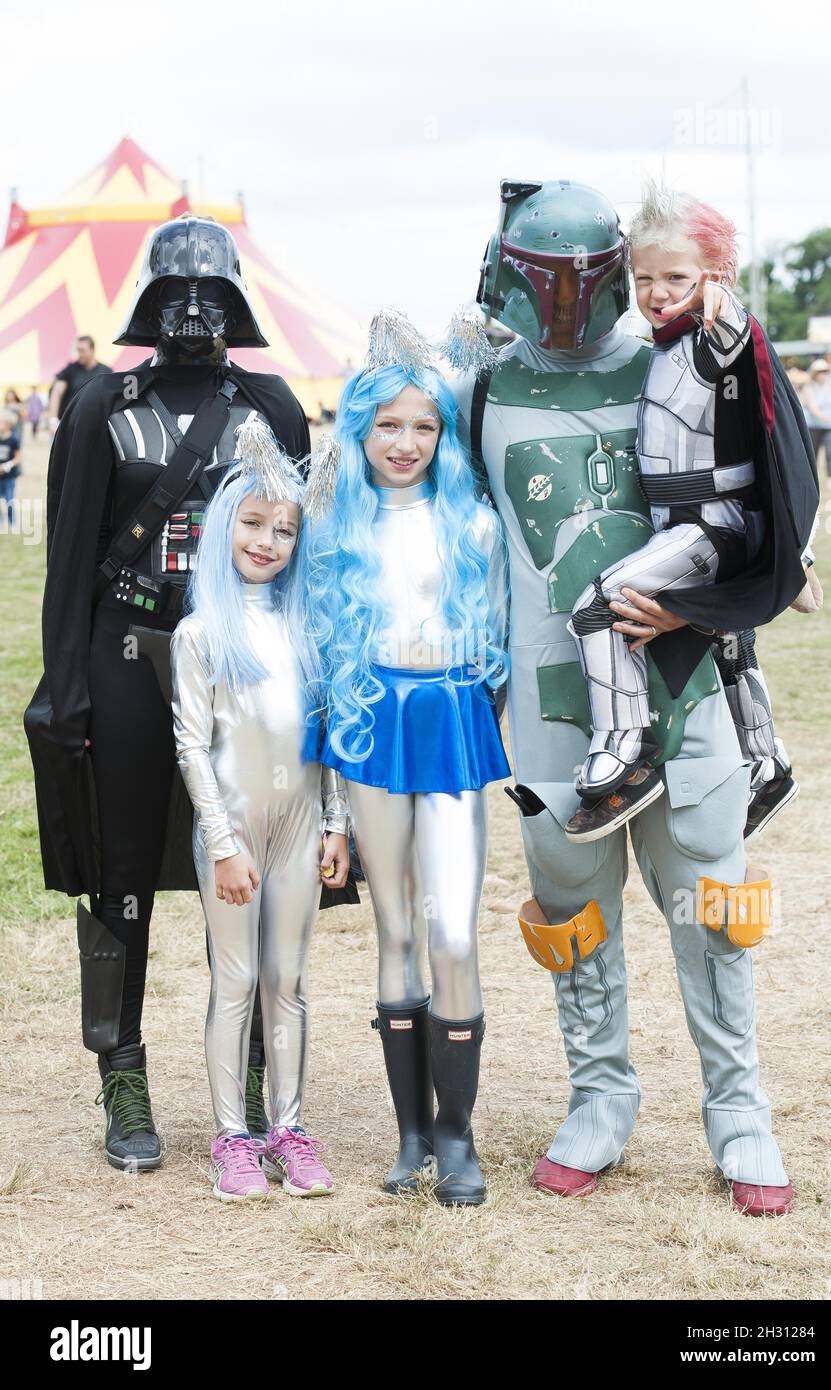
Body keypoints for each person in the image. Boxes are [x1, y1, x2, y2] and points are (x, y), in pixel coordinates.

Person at [452, 179, 817, 1216]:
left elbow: (764, 498)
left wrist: (711, 607)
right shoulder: (476, 390)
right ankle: (598, 1096)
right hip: (546, 698)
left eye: (583, 278)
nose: (564, 301)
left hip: (686, 682)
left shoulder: (686, 359)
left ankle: (738, 1108)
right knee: (571, 907)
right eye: (543, 280)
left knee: (712, 903)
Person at [24, 215, 312, 1172]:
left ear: (235, 302)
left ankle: (267, 1072)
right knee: (121, 871)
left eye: (213, 294)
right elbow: (68, 561)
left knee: (260, 854)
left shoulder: (270, 409)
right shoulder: (105, 401)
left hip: (245, 658)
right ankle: (125, 1074)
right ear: (149, 301)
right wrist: (65, 687)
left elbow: (300, 555)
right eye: (177, 294)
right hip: (126, 653)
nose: (194, 311)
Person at [305, 311, 509, 1206]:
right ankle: (411, 1136)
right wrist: (331, 816)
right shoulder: (330, 524)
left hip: (452, 714)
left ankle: (459, 1137)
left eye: (424, 424)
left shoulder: (474, 522)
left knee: (453, 934)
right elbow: (319, 660)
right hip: (368, 724)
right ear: (360, 426)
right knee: (393, 933)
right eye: (388, 423)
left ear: (444, 432)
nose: (406, 441)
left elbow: (502, 635)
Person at [565, 186, 814, 840]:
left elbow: (733, 327)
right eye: (642, 277)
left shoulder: (712, 335)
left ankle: (626, 744)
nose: (655, 290)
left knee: (597, 606)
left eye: (675, 276)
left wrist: (716, 290)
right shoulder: (666, 346)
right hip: (685, 525)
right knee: (727, 640)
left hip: (714, 523)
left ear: (710, 276)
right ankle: (765, 760)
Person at [171, 416, 350, 1202]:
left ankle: (289, 1127)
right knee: (236, 980)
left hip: (302, 827)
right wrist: (219, 841)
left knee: (290, 978)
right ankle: (232, 1137)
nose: (268, 541)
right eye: (252, 523)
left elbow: (326, 736)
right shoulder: (201, 632)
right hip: (235, 831)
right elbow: (190, 746)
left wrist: (338, 824)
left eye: (284, 530)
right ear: (223, 528)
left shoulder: (308, 628)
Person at [48, 336, 111, 430]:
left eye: (82, 350)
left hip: (96, 425)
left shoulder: (106, 371)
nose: (79, 354)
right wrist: (53, 420)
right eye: (78, 350)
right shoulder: (70, 370)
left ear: (92, 350)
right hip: (70, 425)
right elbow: (56, 394)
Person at [800, 359, 831, 486]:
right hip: (814, 425)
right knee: (813, 454)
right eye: (820, 371)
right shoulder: (809, 388)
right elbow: (813, 407)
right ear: (815, 373)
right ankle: (811, 481)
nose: (823, 374)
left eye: (825, 371)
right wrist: (823, 417)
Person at [0, 408, 22, 526]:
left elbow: (18, 457)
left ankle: (12, 522)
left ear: (8, 424)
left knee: (9, 500)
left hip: (9, 477)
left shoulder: (13, 440)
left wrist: (7, 466)